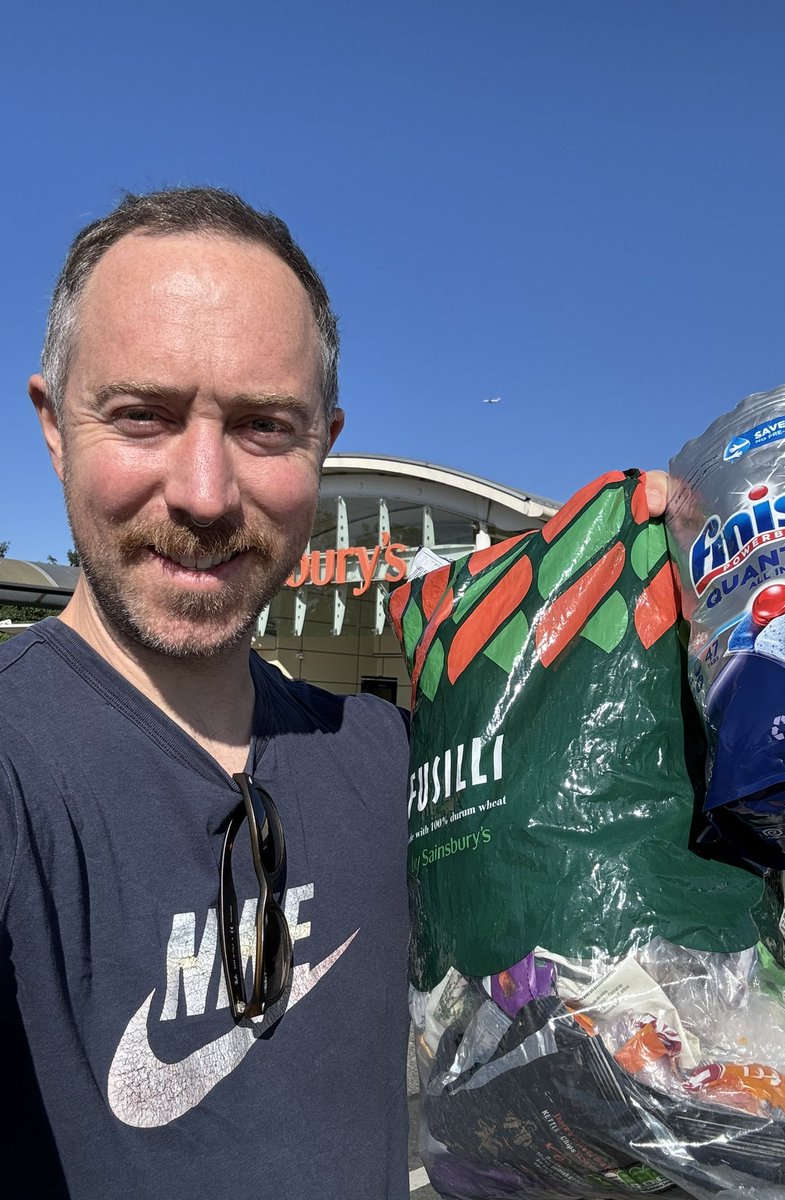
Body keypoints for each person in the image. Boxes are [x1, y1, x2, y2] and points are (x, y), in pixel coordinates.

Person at [1, 186, 670, 1198]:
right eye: (142, 415)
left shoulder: (397, 760)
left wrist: (685, 630)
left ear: (324, 440)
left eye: (265, 427)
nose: (205, 493)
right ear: (54, 424)